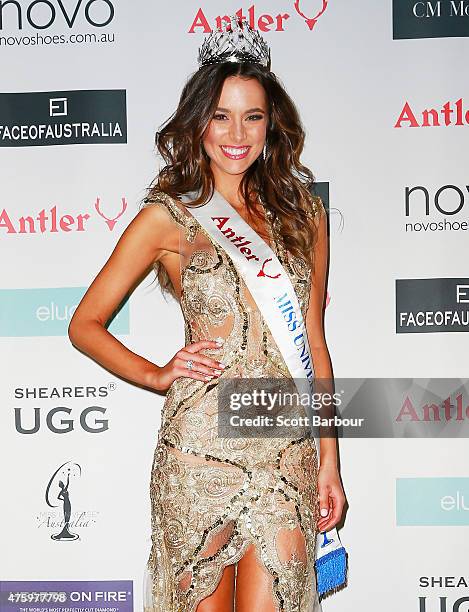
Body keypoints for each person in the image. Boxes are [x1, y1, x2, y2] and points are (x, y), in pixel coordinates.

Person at [68, 15, 346, 612]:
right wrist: (155, 373)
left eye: (253, 116)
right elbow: (84, 324)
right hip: (199, 452)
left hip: (285, 446)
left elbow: (316, 345)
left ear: (273, 126)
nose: (236, 133)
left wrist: (330, 458)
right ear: (199, 123)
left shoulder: (306, 216)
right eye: (221, 115)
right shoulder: (167, 217)